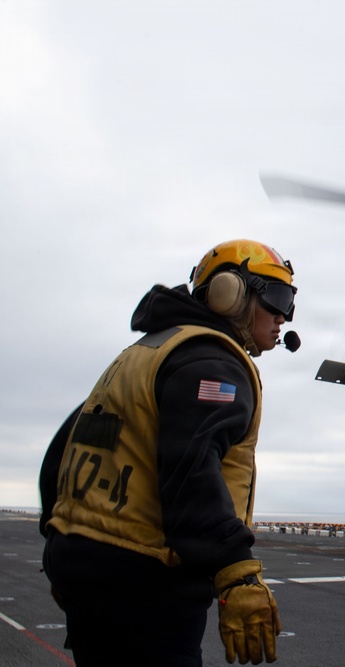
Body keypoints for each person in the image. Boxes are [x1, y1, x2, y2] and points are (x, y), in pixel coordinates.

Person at [38, 239, 297, 666]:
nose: (284, 315)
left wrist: (60, 538)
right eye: (277, 296)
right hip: (146, 581)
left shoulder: (144, 353)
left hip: (83, 567)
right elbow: (191, 468)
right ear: (229, 293)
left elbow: (62, 451)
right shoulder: (213, 364)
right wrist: (236, 570)